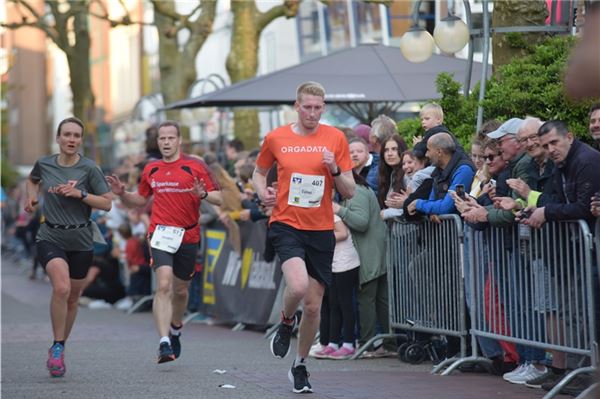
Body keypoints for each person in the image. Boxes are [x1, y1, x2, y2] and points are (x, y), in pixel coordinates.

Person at [252, 81, 355, 393]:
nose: (312, 113)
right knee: (296, 285)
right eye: (307, 107)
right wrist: (262, 195)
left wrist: (335, 169)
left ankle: (299, 366)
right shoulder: (276, 138)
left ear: (323, 108)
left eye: (317, 108)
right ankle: (285, 321)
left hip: (321, 228)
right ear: (296, 106)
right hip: (286, 223)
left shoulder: (336, 138)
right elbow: (259, 173)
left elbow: (349, 190)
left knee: (312, 307)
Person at [106, 120, 222, 364]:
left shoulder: (195, 166)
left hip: (188, 235)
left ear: (179, 140)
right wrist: (122, 194)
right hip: (160, 234)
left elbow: (219, 198)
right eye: (162, 139)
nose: (166, 142)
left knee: (181, 290)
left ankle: (176, 328)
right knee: (164, 285)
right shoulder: (152, 169)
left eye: (171, 138)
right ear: (157, 142)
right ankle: (163, 343)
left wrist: (203, 195)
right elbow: (140, 200)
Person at [24, 117, 112, 377]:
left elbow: (107, 203)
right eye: (67, 135)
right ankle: (58, 348)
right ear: (58, 138)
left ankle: (59, 345)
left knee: (73, 297)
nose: (72, 140)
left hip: (82, 240)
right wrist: (32, 197)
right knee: (61, 287)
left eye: (77, 136)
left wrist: (81, 194)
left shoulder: (89, 168)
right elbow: (33, 180)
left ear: (81, 140)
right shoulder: (45, 163)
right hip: (50, 235)